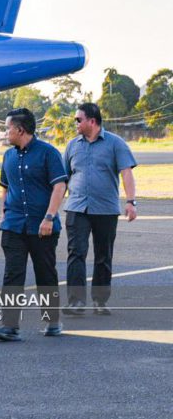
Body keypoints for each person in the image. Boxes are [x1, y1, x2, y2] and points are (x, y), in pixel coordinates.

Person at [0, 108, 67, 342]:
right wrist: (5, 211)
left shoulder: (48, 153)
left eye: (8, 128)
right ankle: (10, 326)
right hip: (13, 225)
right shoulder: (8, 156)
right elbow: (5, 186)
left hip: (42, 226)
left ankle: (52, 320)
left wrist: (49, 217)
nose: (6, 132)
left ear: (20, 129)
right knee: (12, 274)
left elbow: (60, 186)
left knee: (45, 274)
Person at [63, 102, 137, 316]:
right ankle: (76, 302)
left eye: (79, 119)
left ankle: (100, 301)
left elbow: (126, 174)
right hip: (77, 208)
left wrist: (131, 202)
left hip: (105, 209)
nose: (75, 123)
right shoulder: (72, 145)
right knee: (76, 253)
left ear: (92, 121)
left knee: (103, 255)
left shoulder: (116, 144)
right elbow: (63, 178)